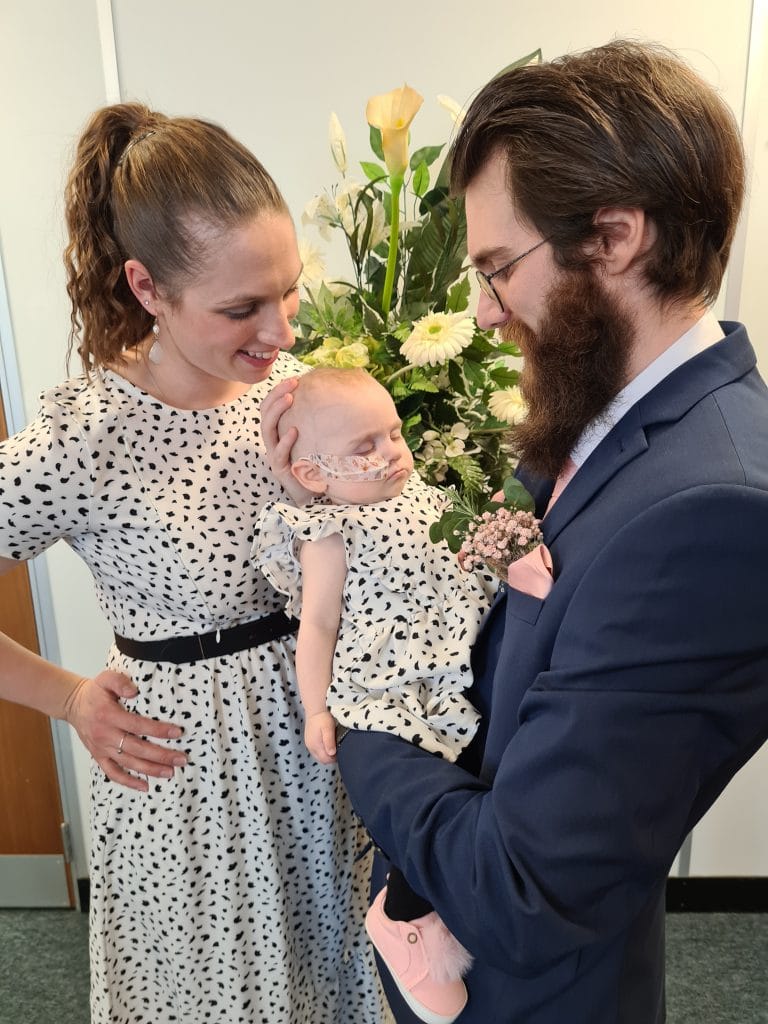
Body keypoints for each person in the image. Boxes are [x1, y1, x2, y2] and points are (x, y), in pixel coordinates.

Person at [265, 40, 768, 1023]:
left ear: (614, 237)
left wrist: (361, 716)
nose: (488, 315)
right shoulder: (606, 411)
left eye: (499, 270)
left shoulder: (712, 511)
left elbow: (523, 890)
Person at [0, 103, 390, 1024]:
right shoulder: (85, 436)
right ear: (147, 288)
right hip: (189, 794)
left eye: (289, 290)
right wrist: (63, 697)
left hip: (316, 767)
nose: (283, 328)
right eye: (242, 307)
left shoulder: (299, 397)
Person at [253, 366, 497, 1024]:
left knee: (474, 768)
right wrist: (315, 708)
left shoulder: (415, 492)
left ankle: (428, 903)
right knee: (425, 788)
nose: (391, 451)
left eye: (393, 433)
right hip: (382, 683)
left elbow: (462, 547)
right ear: (313, 475)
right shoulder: (330, 533)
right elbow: (319, 625)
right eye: (365, 446)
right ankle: (402, 915)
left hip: (445, 660)